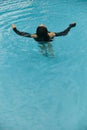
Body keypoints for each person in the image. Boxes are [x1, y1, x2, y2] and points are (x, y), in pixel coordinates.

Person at [11, 22, 76, 56]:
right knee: (50, 46)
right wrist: (70, 26)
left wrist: (14, 28)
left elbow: (21, 34)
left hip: (40, 41)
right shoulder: (51, 34)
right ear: (46, 30)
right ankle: (52, 56)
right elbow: (63, 33)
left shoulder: (35, 36)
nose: (42, 24)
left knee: (42, 47)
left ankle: (44, 55)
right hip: (49, 40)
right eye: (42, 25)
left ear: (37, 31)